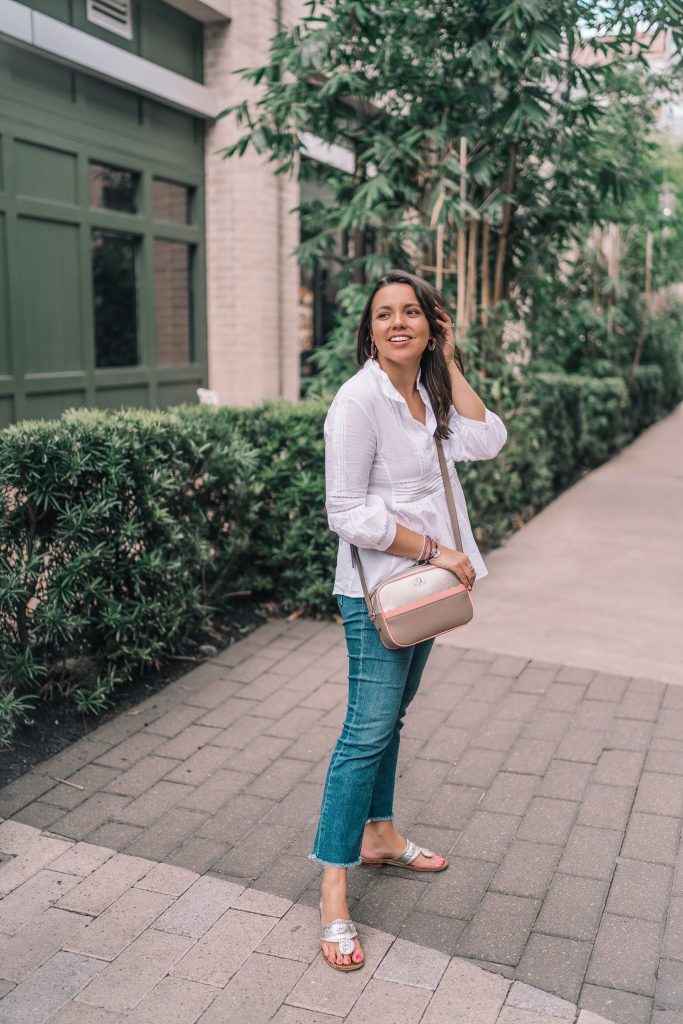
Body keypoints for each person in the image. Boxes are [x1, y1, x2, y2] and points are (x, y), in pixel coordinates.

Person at [309, 269, 508, 971]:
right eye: (384, 314)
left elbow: (487, 440)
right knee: (363, 733)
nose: (398, 323)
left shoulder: (424, 390)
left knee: (388, 720)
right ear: (369, 329)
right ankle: (334, 888)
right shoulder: (357, 402)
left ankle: (382, 836)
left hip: (425, 588)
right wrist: (434, 549)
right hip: (381, 593)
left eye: (412, 314)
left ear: (430, 324)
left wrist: (448, 363)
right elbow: (346, 512)